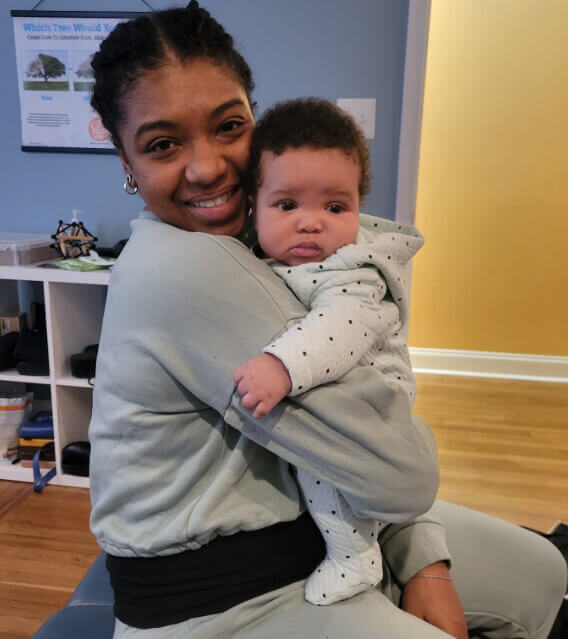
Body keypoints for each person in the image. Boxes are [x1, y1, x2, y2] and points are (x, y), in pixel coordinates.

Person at [88, 3, 567, 639]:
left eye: (228, 127)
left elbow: (368, 390)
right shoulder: (180, 271)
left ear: (256, 122)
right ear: (126, 159)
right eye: (163, 144)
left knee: (541, 573)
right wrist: (412, 540)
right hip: (224, 598)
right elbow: (400, 472)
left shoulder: (270, 232)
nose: (206, 167)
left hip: (317, 529)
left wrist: (425, 561)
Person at [234, 97, 423, 606]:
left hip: (372, 395)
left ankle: (353, 555)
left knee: (320, 455)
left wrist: (280, 366)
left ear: (359, 209)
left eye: (335, 207)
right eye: (287, 205)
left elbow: (340, 328)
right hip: (341, 384)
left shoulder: (352, 271)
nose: (311, 223)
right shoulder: (258, 255)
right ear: (254, 202)